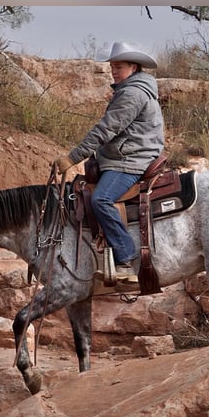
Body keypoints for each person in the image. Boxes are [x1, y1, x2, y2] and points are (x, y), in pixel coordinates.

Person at [53, 41, 165, 279]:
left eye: (119, 66)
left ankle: (126, 260)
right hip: (128, 154)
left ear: (133, 67)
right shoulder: (131, 89)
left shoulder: (132, 94)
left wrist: (73, 157)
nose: (114, 70)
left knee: (101, 199)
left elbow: (106, 129)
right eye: (112, 66)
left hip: (131, 159)